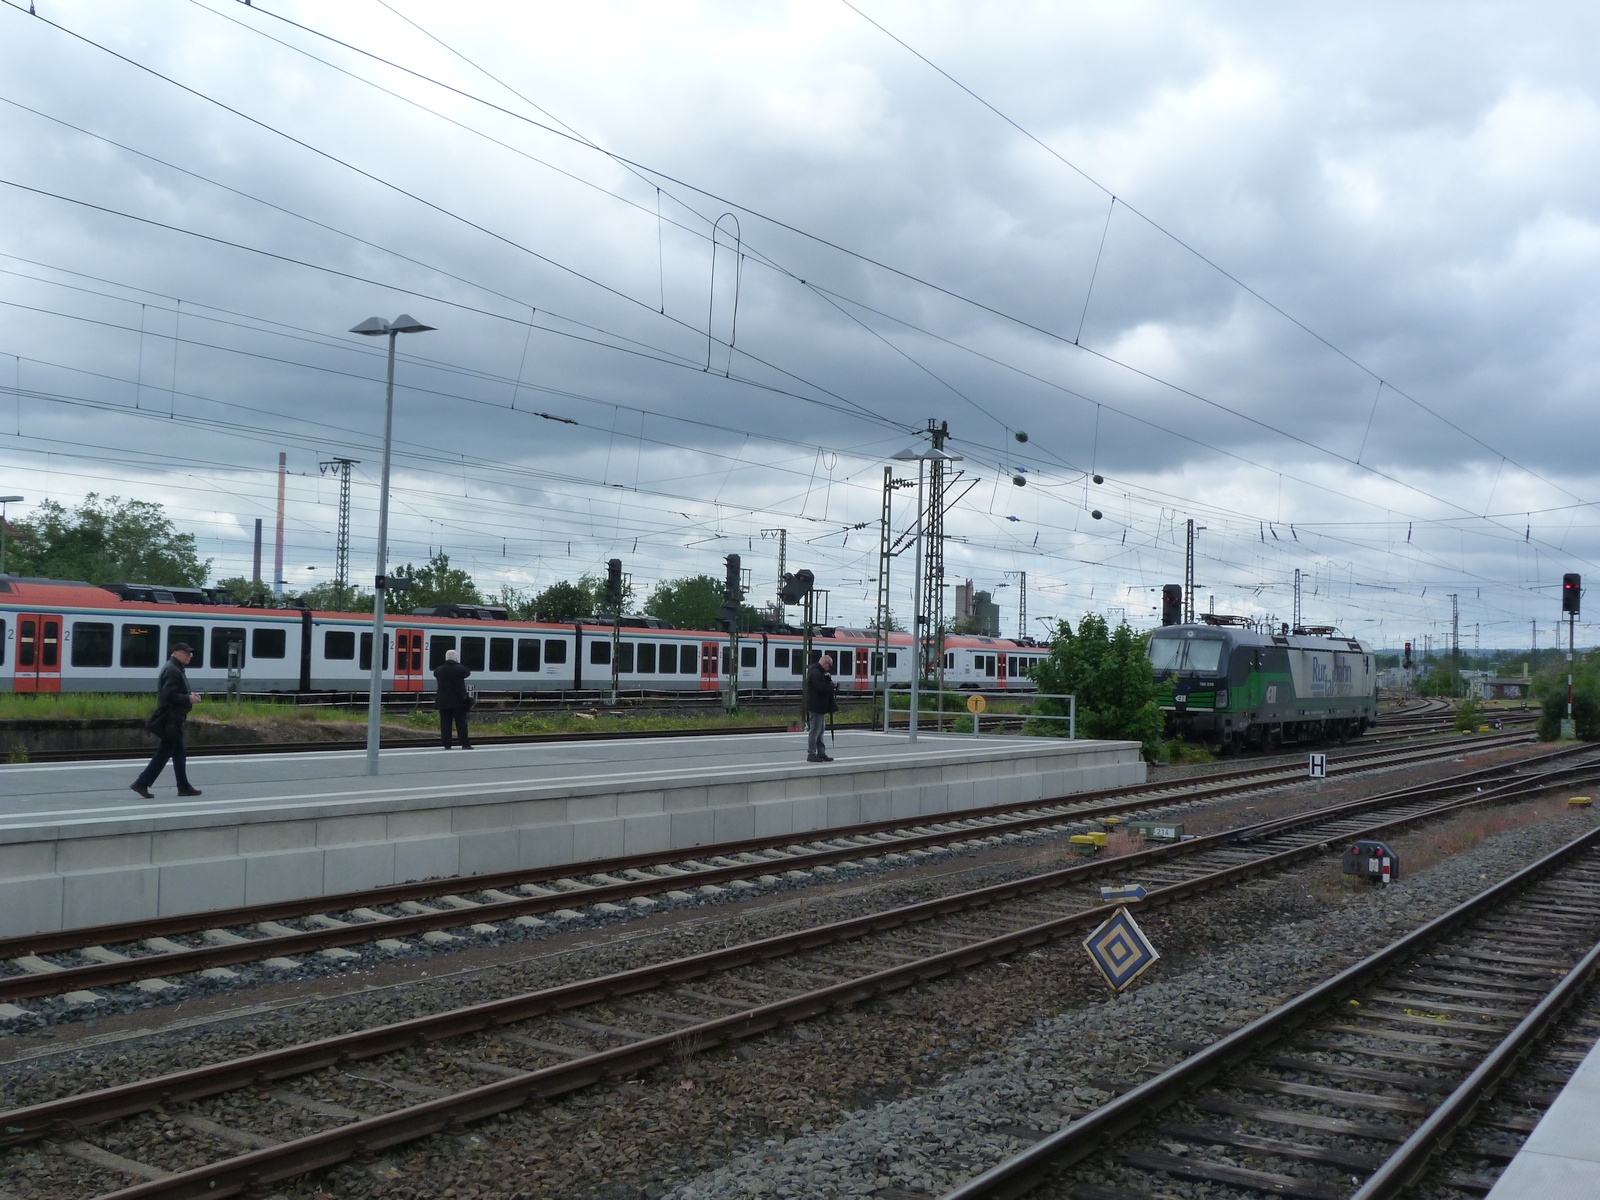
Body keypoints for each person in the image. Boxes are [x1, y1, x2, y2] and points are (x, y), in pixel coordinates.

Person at [131, 642, 202, 798]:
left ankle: (183, 786)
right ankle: (142, 783)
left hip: (174, 718)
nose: (189, 656)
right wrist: (188, 698)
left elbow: (173, 692)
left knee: (178, 753)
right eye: (186, 653)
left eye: (190, 653)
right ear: (176, 652)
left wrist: (189, 696)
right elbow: (169, 694)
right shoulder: (172, 670)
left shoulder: (175, 668)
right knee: (165, 752)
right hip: (171, 718)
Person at [434, 647, 473, 750]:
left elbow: (435, 674)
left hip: (443, 701)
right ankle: (465, 743)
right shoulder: (460, 669)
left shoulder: (438, 670)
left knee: (445, 724)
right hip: (459, 701)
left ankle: (447, 744)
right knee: (461, 723)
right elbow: (467, 672)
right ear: (456, 658)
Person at [803, 653, 837, 762]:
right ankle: (811, 753)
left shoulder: (817, 672)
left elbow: (821, 686)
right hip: (816, 706)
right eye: (829, 666)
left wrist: (827, 679)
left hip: (819, 706)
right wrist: (831, 684)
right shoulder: (815, 672)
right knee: (815, 731)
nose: (829, 669)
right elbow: (821, 688)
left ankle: (821, 752)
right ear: (826, 663)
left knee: (820, 730)